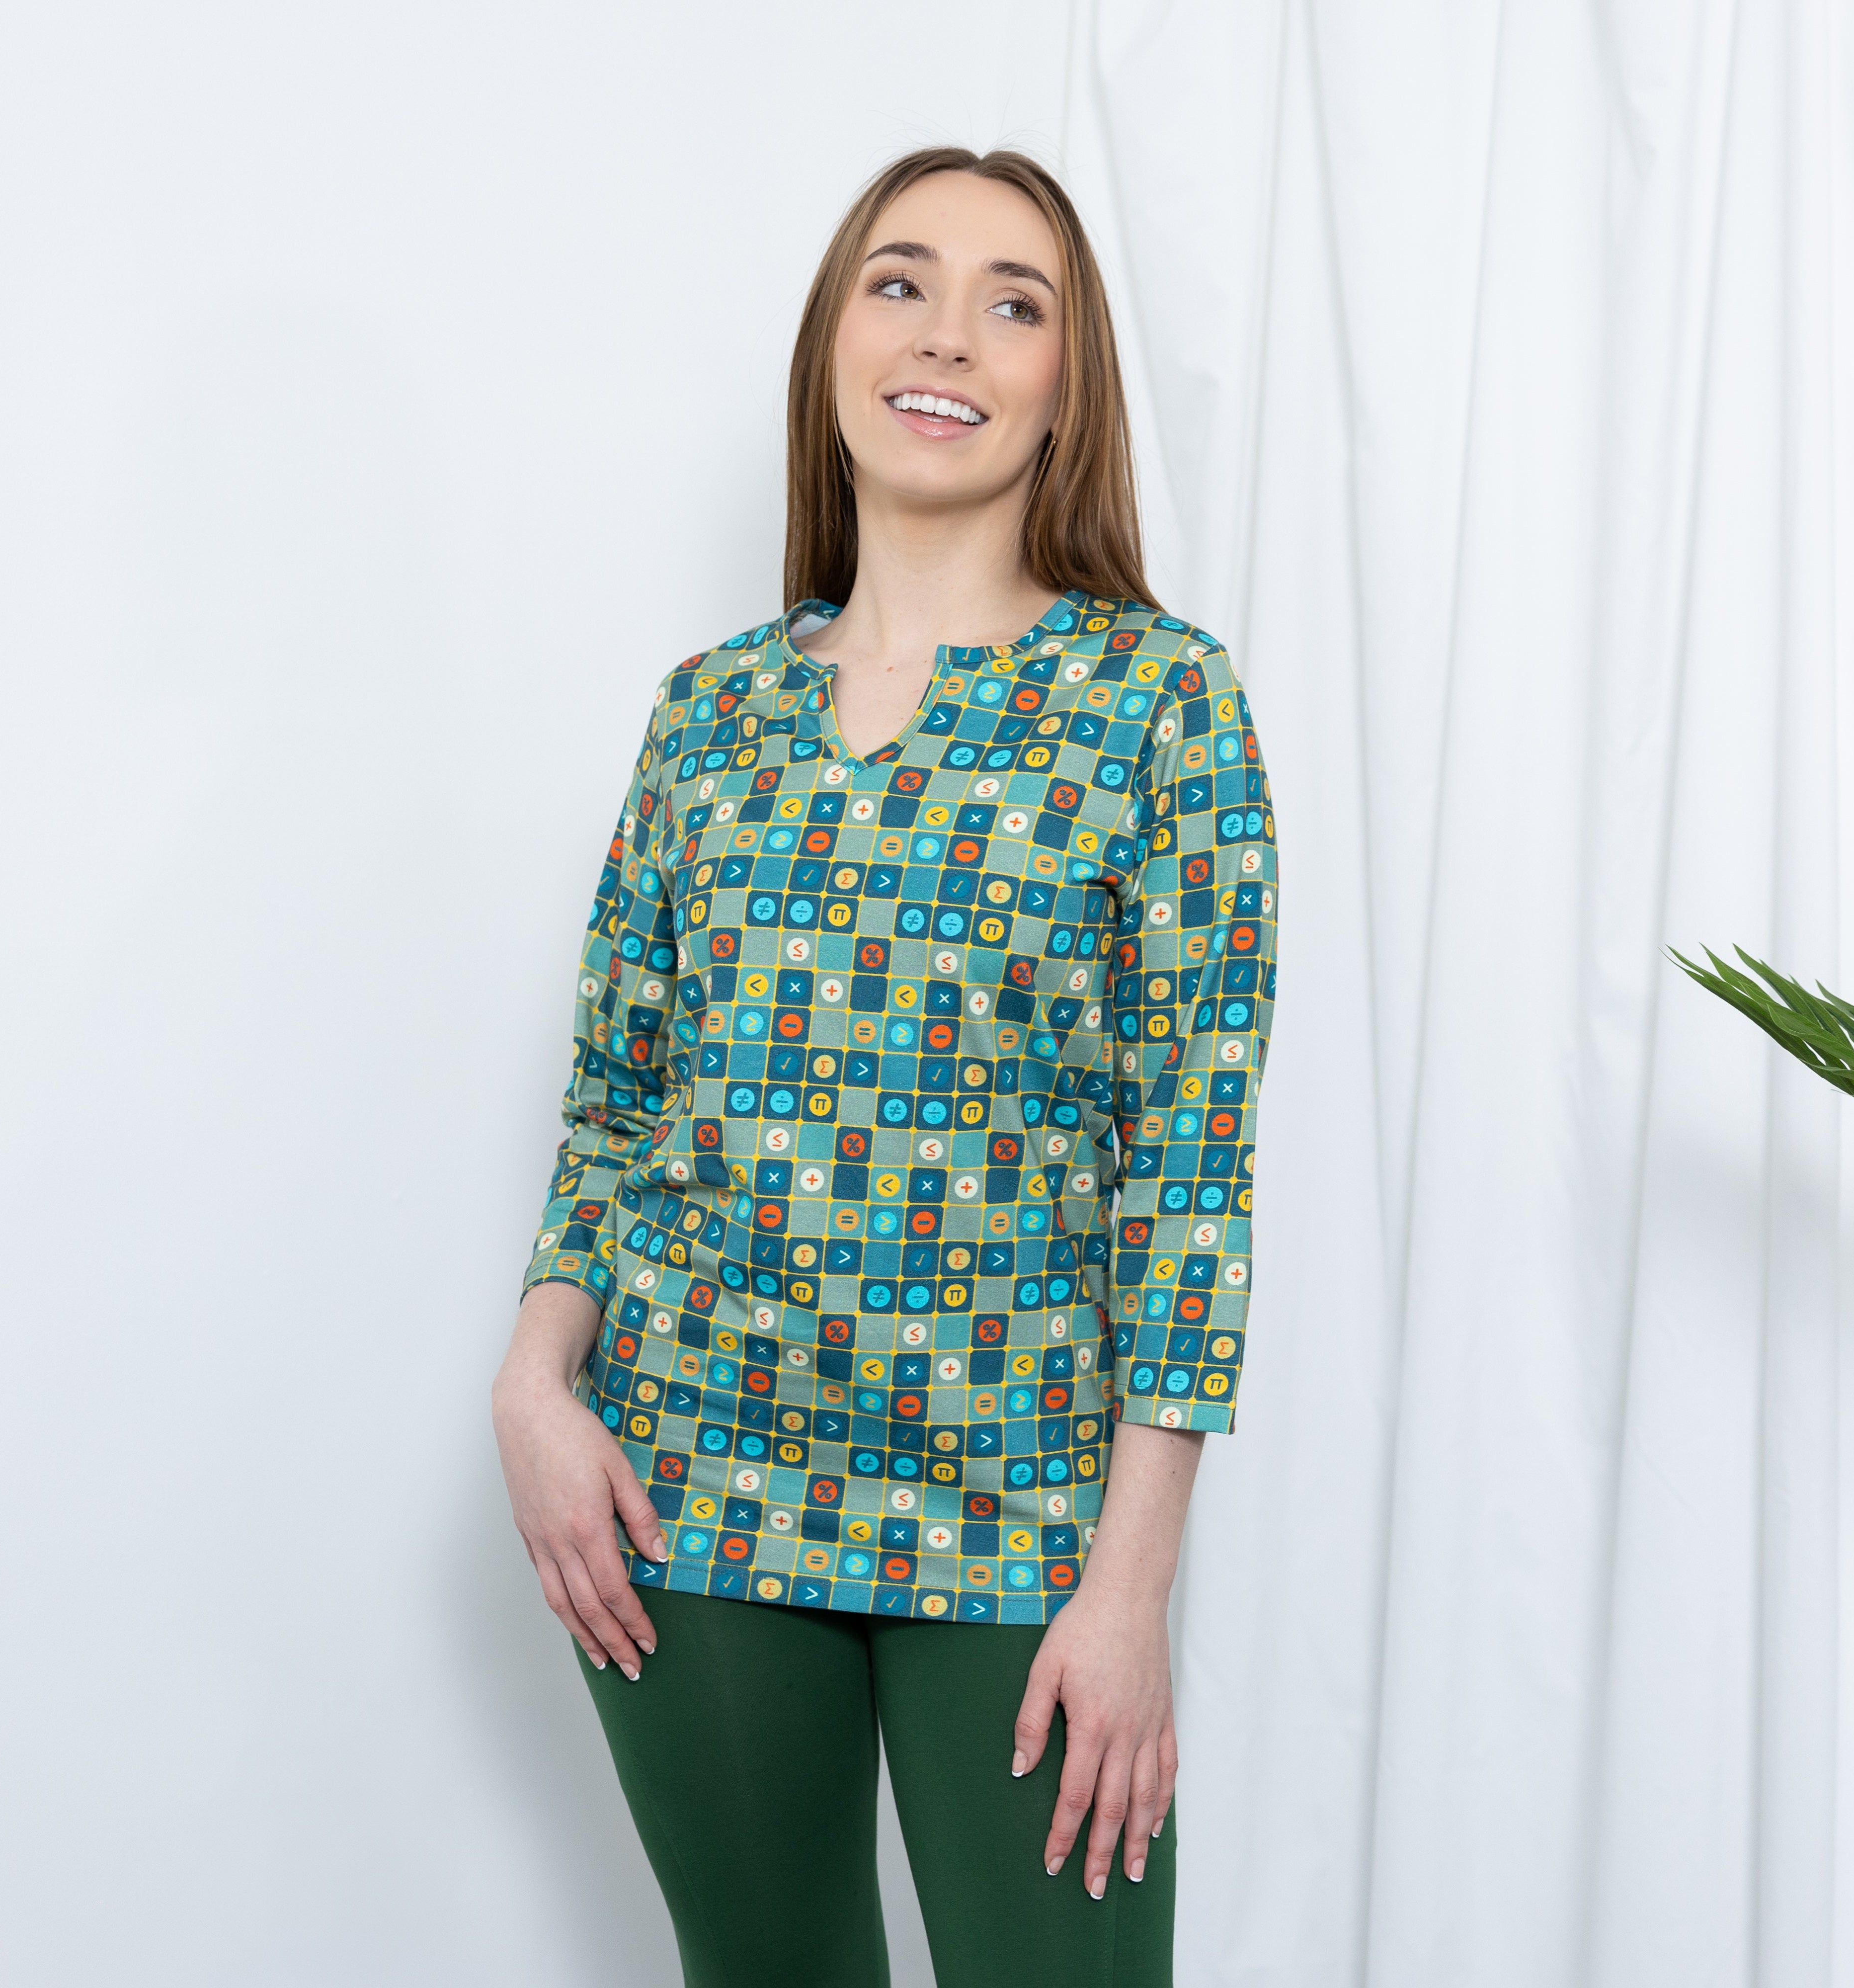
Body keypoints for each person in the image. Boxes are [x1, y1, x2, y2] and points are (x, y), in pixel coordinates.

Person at [491, 145, 1278, 1988]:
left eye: (1017, 304)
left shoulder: (1163, 703)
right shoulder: (709, 712)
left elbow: (1190, 1172)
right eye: (901, 282)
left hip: (1026, 1520)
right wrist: (535, 1382)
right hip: (689, 1493)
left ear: (1067, 388)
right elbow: (619, 1097)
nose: (948, 336)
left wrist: (1133, 1585)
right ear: (832, 342)